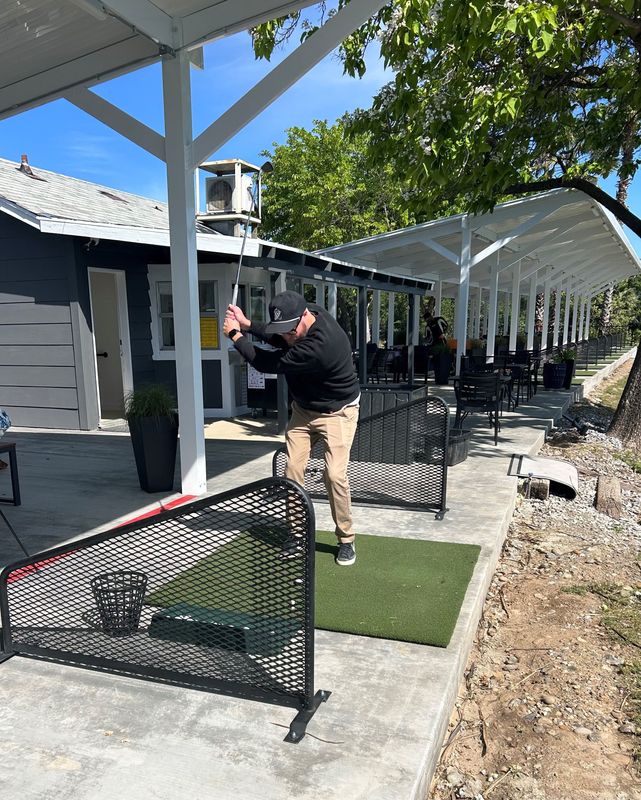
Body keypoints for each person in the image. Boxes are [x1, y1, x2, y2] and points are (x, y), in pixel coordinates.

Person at [223, 290, 360, 565]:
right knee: (292, 471)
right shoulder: (302, 312)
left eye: (289, 331)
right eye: (283, 330)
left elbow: (265, 362)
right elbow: (275, 334)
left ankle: (347, 539)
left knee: (333, 475)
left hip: (338, 412)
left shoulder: (321, 346)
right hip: (303, 410)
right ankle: (297, 535)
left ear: (305, 317)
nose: (285, 337)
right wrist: (248, 324)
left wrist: (235, 336)